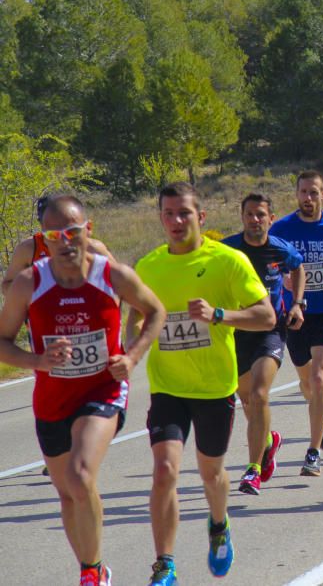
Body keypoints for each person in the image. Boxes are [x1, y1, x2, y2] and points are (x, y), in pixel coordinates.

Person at [0, 195, 165, 586]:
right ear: (45, 238)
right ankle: (93, 566)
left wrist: (133, 356)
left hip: (103, 391)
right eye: (56, 234)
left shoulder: (112, 275)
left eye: (73, 231)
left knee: (79, 475)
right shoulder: (28, 283)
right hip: (52, 400)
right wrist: (37, 361)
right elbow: (2, 341)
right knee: (67, 494)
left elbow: (155, 310)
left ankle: (91, 574)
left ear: (87, 230)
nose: (67, 241)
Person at [134, 182, 275, 585]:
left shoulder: (228, 261)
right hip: (168, 387)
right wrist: (130, 350)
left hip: (214, 387)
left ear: (202, 217)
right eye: (168, 214)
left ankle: (218, 524)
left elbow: (265, 317)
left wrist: (218, 315)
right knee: (164, 471)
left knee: (211, 474)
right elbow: (134, 315)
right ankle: (165, 564)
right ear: (160, 217)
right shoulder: (149, 267)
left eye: (184, 214)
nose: (176, 222)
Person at [269, 170, 323, 476]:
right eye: (304, 192)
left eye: (314, 192)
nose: (309, 198)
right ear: (297, 195)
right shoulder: (281, 229)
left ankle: (313, 451)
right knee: (307, 384)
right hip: (295, 314)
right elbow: (269, 265)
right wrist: (282, 277)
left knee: (319, 378)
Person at [222, 194, 305, 496]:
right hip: (237, 332)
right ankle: (268, 442)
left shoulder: (280, 249)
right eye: (249, 214)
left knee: (259, 393)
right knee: (247, 399)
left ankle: (252, 470)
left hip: (271, 329)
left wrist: (297, 303)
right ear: (242, 216)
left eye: (260, 215)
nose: (255, 220)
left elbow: (298, 268)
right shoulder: (228, 249)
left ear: (271, 218)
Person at [2, 196, 115, 296]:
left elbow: (119, 281)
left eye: (71, 231)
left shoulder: (92, 246)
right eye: (48, 222)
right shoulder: (28, 248)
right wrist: (36, 293)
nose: (63, 241)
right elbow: (6, 286)